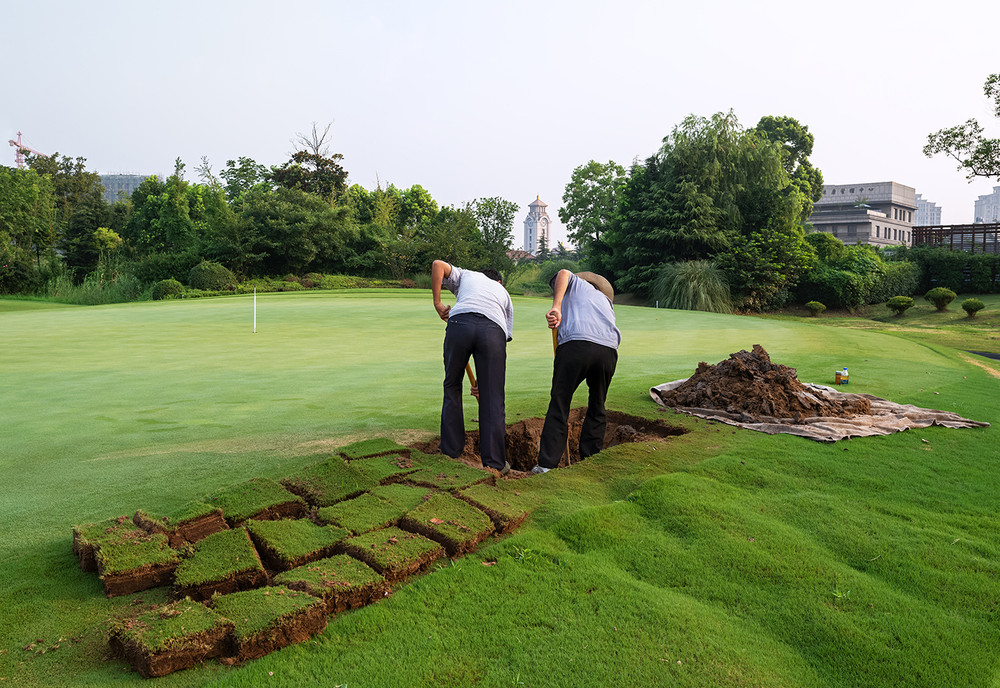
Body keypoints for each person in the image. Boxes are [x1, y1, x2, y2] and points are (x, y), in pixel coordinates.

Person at [532, 270, 620, 474]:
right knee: (597, 405)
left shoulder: (577, 284)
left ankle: (547, 464)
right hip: (609, 351)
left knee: (560, 403)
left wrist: (556, 306)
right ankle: (591, 460)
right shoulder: (606, 301)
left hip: (577, 344)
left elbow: (563, 272)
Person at [431, 260, 513, 475]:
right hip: (493, 330)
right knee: (493, 397)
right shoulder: (504, 294)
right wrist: (484, 387)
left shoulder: (467, 275)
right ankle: (495, 464)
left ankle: (450, 453)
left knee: (452, 386)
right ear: (499, 281)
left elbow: (438, 264)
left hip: (459, 324)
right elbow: (501, 337)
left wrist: (438, 303)